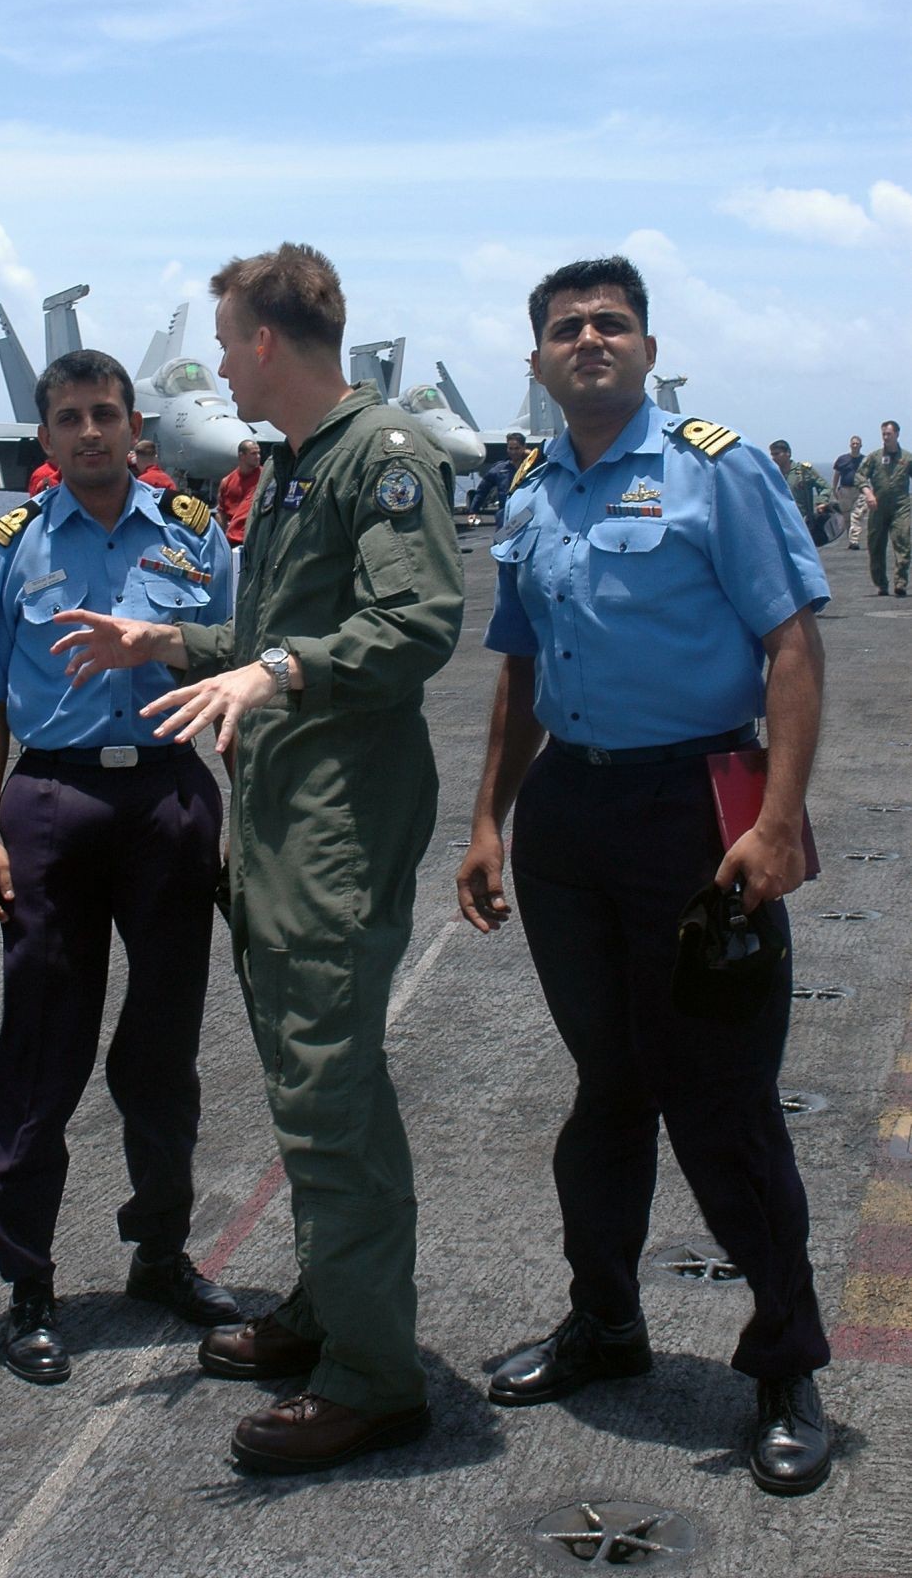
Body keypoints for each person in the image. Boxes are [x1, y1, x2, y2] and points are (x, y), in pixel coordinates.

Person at [51, 244, 464, 1474]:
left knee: (333, 1095)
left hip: (337, 822)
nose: (218, 360)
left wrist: (272, 670)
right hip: (284, 818)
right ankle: (331, 1307)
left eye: (227, 339)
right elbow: (268, 633)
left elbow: (414, 623)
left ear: (269, 341)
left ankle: (374, 1376)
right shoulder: (291, 471)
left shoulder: (379, 454)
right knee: (304, 1082)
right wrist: (165, 639)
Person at [457, 255, 832, 1496]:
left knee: (721, 1101)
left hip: (698, 809)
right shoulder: (530, 488)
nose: (589, 338)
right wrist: (486, 823)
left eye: (610, 321)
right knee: (609, 1089)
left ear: (648, 343)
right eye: (566, 327)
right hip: (571, 809)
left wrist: (777, 824)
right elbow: (514, 667)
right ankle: (605, 1322)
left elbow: (789, 640)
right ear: (538, 359)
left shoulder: (715, 467)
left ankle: (784, 1361)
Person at [0, 349, 239, 1384]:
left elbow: (242, 665)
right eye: (69, 416)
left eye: (105, 414)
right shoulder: (13, 545)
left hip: (166, 798)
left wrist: (240, 812)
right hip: (52, 802)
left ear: (137, 430)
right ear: (45, 436)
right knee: (43, 1044)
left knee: (162, 1050)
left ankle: (160, 1253)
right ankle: (27, 1282)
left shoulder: (197, 536)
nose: (89, 432)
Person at [854, 420, 911, 597]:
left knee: (903, 542)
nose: (886, 438)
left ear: (897, 434)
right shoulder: (874, 457)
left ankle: (900, 582)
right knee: (876, 545)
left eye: (889, 434)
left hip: (901, 506)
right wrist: (868, 493)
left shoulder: (907, 458)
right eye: (884, 434)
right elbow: (860, 476)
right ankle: (881, 584)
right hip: (878, 506)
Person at [768, 441, 838, 545]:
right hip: (780, 521)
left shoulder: (803, 471)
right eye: (772, 454)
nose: (774, 458)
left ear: (788, 453)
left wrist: (821, 502)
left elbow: (825, 487)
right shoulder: (771, 473)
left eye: (777, 454)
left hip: (802, 521)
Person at [468, 432, 529, 524]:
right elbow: (482, 491)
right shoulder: (499, 469)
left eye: (517, 448)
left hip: (527, 514)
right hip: (505, 515)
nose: (513, 452)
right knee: (501, 538)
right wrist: (473, 511)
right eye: (510, 448)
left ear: (524, 447)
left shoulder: (533, 467)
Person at [216, 438, 262, 546]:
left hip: (255, 540)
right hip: (233, 540)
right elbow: (221, 513)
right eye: (253, 454)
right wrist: (220, 539)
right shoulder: (227, 482)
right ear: (242, 456)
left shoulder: (265, 477)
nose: (258, 457)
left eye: (259, 453)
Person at [831, 434, 863, 544]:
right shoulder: (842, 459)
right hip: (845, 491)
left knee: (856, 515)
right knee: (846, 517)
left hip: (859, 491)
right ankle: (850, 540)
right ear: (850, 445)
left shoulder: (865, 460)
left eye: (857, 444)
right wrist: (834, 489)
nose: (855, 445)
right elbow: (837, 475)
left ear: (861, 445)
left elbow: (869, 476)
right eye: (853, 443)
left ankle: (854, 541)